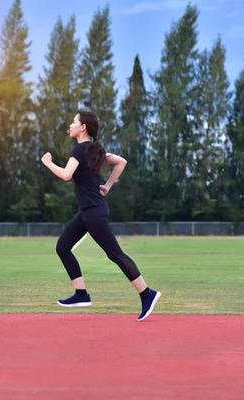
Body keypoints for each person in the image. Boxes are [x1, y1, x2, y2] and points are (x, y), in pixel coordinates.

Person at [41, 109, 161, 321]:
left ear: (83, 127)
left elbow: (67, 175)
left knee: (115, 254)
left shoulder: (79, 150)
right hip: (89, 212)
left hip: (93, 213)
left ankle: (147, 294)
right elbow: (121, 162)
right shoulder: (95, 150)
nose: (70, 125)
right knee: (63, 247)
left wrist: (48, 163)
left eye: (74, 121)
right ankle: (81, 294)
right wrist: (107, 186)